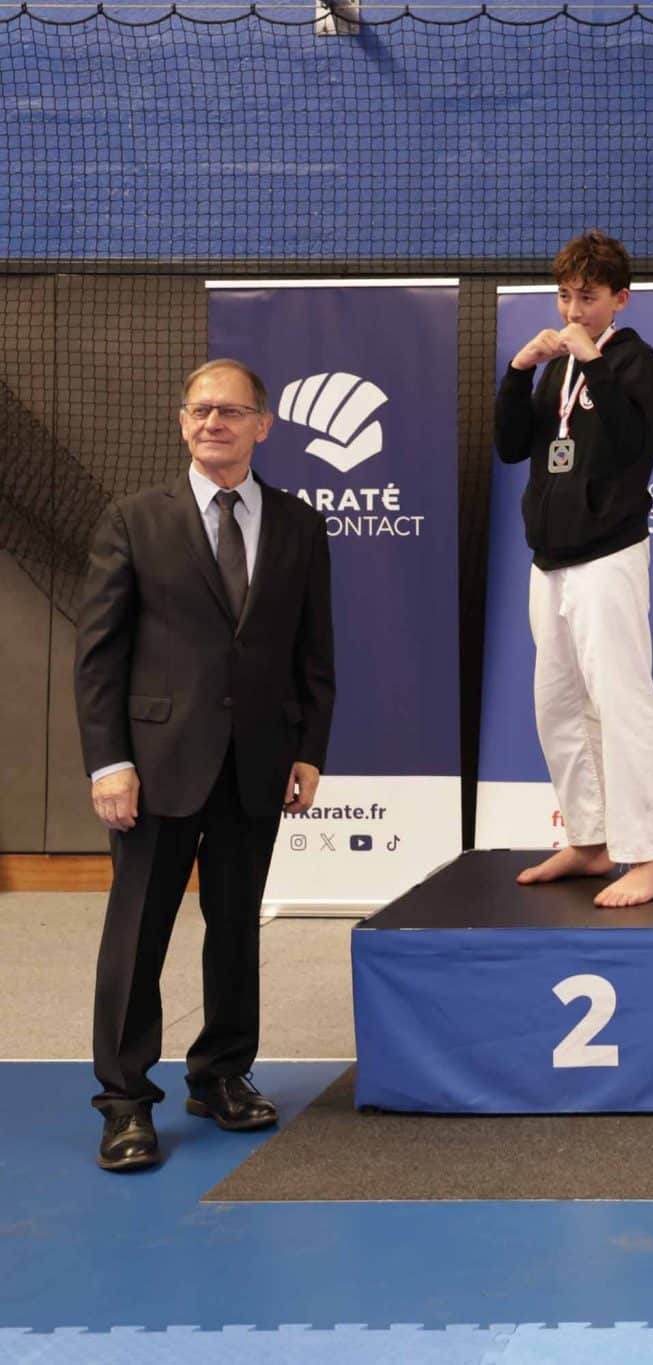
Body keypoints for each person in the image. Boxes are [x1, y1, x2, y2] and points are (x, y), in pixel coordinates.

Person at [74, 359, 335, 1171]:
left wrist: (309, 748)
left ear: (263, 424)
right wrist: (108, 761)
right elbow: (98, 657)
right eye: (199, 410)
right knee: (138, 931)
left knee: (234, 927)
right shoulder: (132, 520)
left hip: (257, 760)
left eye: (229, 410)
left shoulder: (299, 525)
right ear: (183, 421)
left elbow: (314, 651)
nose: (212, 422)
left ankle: (221, 1072)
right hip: (154, 766)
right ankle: (124, 1099)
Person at [495, 230, 653, 907]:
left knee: (622, 703)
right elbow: (513, 446)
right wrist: (519, 371)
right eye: (566, 296)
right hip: (550, 560)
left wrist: (591, 359)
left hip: (609, 555)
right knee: (558, 705)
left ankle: (647, 855)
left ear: (620, 299)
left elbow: (631, 445)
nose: (573, 311)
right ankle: (590, 840)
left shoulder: (633, 360)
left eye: (588, 298)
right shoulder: (555, 367)